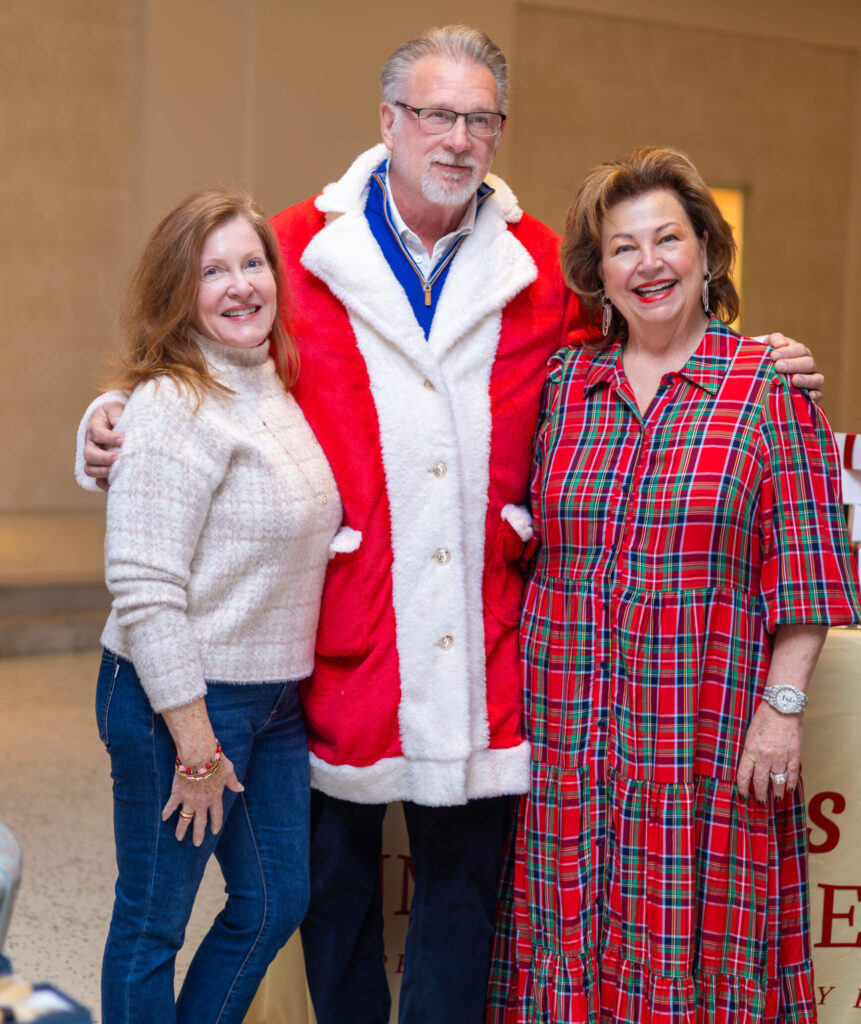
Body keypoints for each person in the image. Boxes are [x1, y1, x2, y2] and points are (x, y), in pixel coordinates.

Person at [78, 28, 821, 1024]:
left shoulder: (536, 268)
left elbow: (646, 330)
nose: (458, 137)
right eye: (436, 114)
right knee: (328, 898)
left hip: (485, 642)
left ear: (500, 133)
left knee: (462, 898)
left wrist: (750, 347)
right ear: (388, 121)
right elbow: (211, 340)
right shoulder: (300, 245)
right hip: (338, 640)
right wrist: (109, 417)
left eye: (480, 119)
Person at [487, 147, 861, 1023]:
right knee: (563, 932)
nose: (647, 263)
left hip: (701, 735)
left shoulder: (768, 388)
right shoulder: (563, 387)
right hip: (566, 735)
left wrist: (780, 710)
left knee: (694, 949)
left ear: (707, 254)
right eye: (622, 247)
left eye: (667, 239)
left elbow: (807, 576)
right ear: (598, 273)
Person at [88, 187, 342, 1024]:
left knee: (274, 903)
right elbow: (146, 589)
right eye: (212, 271)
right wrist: (195, 742)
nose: (240, 285)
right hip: (181, 701)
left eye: (252, 262)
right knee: (153, 920)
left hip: (271, 700)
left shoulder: (267, 383)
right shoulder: (172, 405)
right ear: (178, 291)